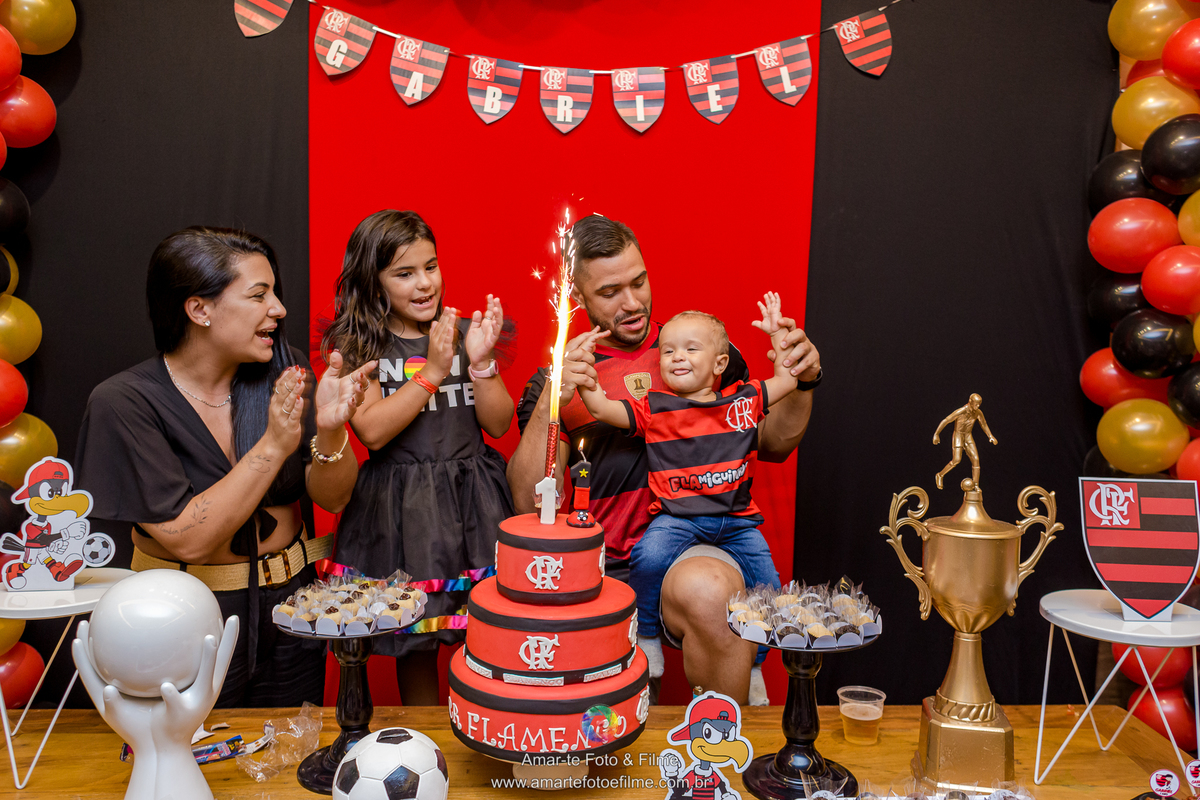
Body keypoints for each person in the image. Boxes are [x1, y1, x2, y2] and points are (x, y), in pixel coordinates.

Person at [509, 215, 821, 704]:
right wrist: (554, 393)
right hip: (603, 563)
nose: (632, 302)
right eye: (610, 292)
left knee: (709, 589)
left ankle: (720, 744)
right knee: (606, 725)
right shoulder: (564, 377)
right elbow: (527, 498)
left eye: (639, 282)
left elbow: (775, 444)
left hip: (696, 539)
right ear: (580, 298)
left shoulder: (697, 351)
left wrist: (802, 380)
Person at [76, 226, 374, 707]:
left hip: (294, 607)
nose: (278, 308)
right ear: (200, 310)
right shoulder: (124, 402)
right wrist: (273, 445)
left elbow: (333, 497)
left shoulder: (284, 371)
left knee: (292, 746)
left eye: (274, 293)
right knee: (195, 748)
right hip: (181, 616)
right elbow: (188, 539)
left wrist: (333, 431)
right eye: (259, 295)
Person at [321, 210, 515, 705]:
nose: (425, 283)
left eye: (430, 267)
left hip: (473, 502)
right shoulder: (362, 346)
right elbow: (372, 431)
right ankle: (423, 737)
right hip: (401, 510)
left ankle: (486, 727)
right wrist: (432, 370)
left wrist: (481, 363)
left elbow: (498, 424)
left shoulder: (464, 333)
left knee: (489, 630)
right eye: (405, 273)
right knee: (415, 635)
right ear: (374, 282)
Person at [575, 295, 798, 675]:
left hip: (737, 522)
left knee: (770, 587)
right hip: (678, 519)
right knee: (647, 558)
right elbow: (600, 407)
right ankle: (647, 635)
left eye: (691, 349)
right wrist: (584, 371)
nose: (677, 357)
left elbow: (788, 380)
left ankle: (757, 665)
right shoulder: (654, 408)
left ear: (720, 363)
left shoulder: (743, 401)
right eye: (668, 351)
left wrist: (778, 336)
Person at [933, 393, 996, 490]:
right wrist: (937, 434)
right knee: (956, 460)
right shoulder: (961, 411)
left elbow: (984, 424)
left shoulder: (978, 413)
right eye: (976, 404)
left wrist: (990, 436)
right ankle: (940, 475)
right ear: (970, 401)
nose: (978, 406)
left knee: (976, 460)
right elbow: (946, 420)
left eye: (979, 404)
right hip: (958, 435)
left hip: (968, 436)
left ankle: (975, 485)